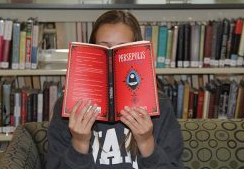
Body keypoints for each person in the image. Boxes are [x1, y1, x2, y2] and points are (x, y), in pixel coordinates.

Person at [46, 10, 184, 169]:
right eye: (104, 48)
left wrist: (146, 143)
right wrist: (79, 144)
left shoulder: (160, 106)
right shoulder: (68, 108)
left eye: (122, 49)